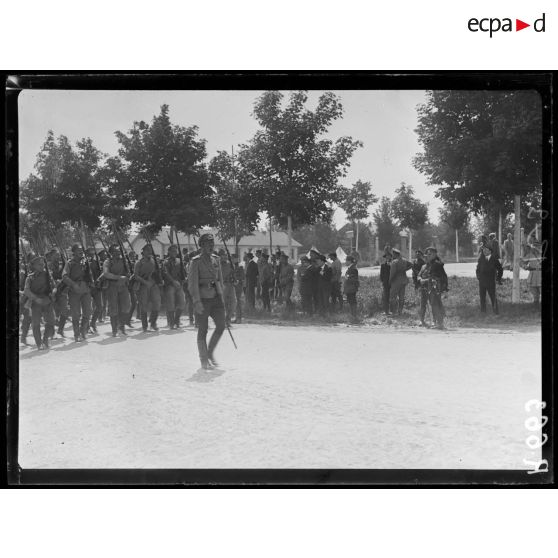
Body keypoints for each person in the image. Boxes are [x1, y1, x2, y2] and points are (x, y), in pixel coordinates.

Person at [188, 233, 226, 370]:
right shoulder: (196, 261)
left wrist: (221, 295)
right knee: (203, 330)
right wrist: (196, 302)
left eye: (212, 243)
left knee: (221, 326)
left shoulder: (216, 259)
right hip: (203, 299)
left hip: (216, 298)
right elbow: (192, 284)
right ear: (202, 245)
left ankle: (210, 352)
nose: (211, 246)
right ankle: (204, 360)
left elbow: (220, 280)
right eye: (208, 243)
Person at [62, 243, 93, 342]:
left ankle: (83, 331)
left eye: (82, 250)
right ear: (74, 252)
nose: (81, 252)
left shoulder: (85, 262)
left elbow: (90, 274)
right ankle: (76, 334)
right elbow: (64, 276)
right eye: (78, 250)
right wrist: (73, 284)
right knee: (76, 314)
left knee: (88, 312)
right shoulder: (69, 263)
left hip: (85, 290)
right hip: (74, 291)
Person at [23, 256, 56, 349]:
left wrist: (53, 292)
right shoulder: (30, 277)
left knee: (51, 321)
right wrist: (35, 298)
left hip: (47, 300)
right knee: (36, 323)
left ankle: (45, 339)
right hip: (35, 302)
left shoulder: (48, 275)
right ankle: (39, 343)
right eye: (40, 264)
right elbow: (26, 290)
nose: (43, 265)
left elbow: (54, 286)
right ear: (34, 266)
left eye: (43, 264)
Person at [102, 244, 132, 336]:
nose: (118, 252)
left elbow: (129, 273)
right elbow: (106, 274)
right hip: (112, 286)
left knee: (126, 306)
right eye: (115, 251)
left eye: (119, 251)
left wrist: (127, 277)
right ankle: (114, 330)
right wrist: (119, 277)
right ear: (111, 253)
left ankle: (121, 327)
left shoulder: (124, 261)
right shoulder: (108, 262)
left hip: (123, 286)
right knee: (113, 308)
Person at [417, 246, 448, 329]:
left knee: (436, 305)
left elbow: (442, 277)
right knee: (427, 305)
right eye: (427, 255)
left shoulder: (438, 264)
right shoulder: (425, 266)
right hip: (426, 288)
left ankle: (439, 323)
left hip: (434, 289)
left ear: (434, 254)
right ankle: (430, 322)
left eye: (430, 254)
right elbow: (419, 275)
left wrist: (443, 288)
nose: (428, 256)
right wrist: (421, 280)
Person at [134, 244, 162, 332]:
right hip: (143, 285)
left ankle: (153, 323)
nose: (149, 252)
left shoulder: (154, 261)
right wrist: (145, 282)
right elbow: (136, 276)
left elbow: (157, 273)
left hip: (153, 284)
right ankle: (144, 326)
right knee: (144, 305)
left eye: (150, 250)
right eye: (147, 251)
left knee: (157, 303)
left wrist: (155, 281)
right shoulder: (139, 263)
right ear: (143, 252)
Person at [162, 244, 186, 329]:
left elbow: (183, 272)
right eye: (172, 251)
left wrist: (184, 279)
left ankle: (176, 320)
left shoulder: (180, 261)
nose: (174, 252)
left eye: (175, 251)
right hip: (170, 285)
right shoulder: (165, 262)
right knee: (171, 304)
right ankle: (171, 323)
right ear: (168, 252)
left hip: (179, 285)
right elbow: (165, 273)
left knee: (182, 303)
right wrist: (173, 281)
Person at [476, 244, 503, 315]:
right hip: (482, 282)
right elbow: (477, 270)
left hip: (491, 282)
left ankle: (496, 312)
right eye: (483, 250)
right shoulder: (481, 259)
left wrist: (498, 278)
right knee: (482, 298)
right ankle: (483, 312)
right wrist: (479, 277)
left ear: (490, 251)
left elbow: (500, 269)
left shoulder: (494, 259)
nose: (484, 251)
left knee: (493, 297)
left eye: (486, 250)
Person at [389, 248, 413, 315]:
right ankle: (400, 311)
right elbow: (411, 264)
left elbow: (392, 273)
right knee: (401, 297)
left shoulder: (394, 262)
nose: (392, 255)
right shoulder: (404, 260)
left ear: (395, 254)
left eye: (393, 254)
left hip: (396, 280)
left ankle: (394, 311)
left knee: (393, 296)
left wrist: (390, 281)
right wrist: (405, 269)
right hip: (404, 280)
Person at [86, 247, 103, 333]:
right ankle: (87, 326)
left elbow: (100, 274)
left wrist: (99, 281)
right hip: (88, 287)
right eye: (90, 254)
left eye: (93, 254)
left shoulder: (97, 263)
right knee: (88, 309)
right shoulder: (85, 263)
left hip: (97, 287)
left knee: (100, 307)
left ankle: (93, 323)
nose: (91, 256)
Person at [219, 249, 237, 327]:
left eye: (226, 255)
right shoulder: (217, 264)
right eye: (223, 255)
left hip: (230, 285)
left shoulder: (230, 264)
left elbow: (233, 274)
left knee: (234, 303)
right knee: (223, 304)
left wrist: (235, 279)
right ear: (219, 256)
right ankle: (223, 321)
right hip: (222, 285)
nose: (225, 256)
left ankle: (228, 318)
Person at [343, 255, 359, 322]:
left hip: (352, 288)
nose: (345, 262)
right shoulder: (350, 268)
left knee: (353, 302)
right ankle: (352, 316)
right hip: (349, 288)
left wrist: (348, 278)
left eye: (346, 260)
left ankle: (354, 316)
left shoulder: (353, 269)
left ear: (349, 261)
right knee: (350, 302)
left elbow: (354, 279)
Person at [232, 253, 245, 323]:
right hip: (232, 286)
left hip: (238, 286)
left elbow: (242, 277)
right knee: (233, 302)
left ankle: (239, 318)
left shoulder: (240, 267)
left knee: (238, 301)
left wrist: (237, 279)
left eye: (233, 258)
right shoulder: (230, 267)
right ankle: (235, 317)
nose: (232, 259)